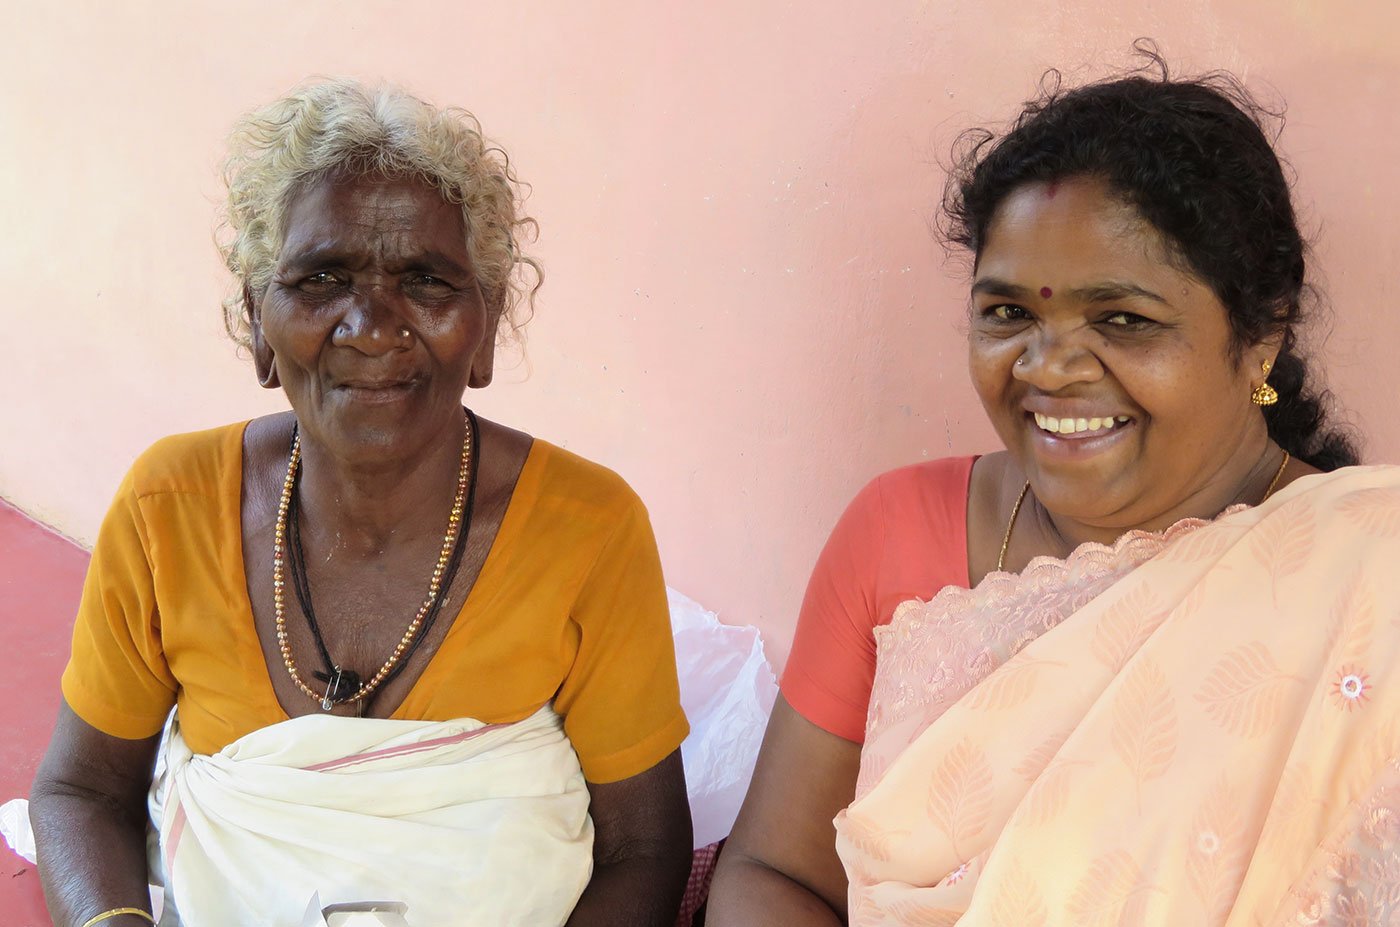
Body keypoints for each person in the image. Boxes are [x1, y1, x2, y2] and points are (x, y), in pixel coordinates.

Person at [709, 51, 1399, 925]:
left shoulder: (1373, 578)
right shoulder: (896, 529)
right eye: (1010, 314)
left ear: (1260, 337)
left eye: (1123, 320)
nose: (1049, 368)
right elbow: (772, 869)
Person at [29, 79, 693, 927]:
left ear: (484, 332)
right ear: (258, 327)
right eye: (322, 278)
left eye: (426, 281)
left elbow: (645, 846)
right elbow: (80, 789)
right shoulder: (171, 507)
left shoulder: (589, 527)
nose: (372, 326)